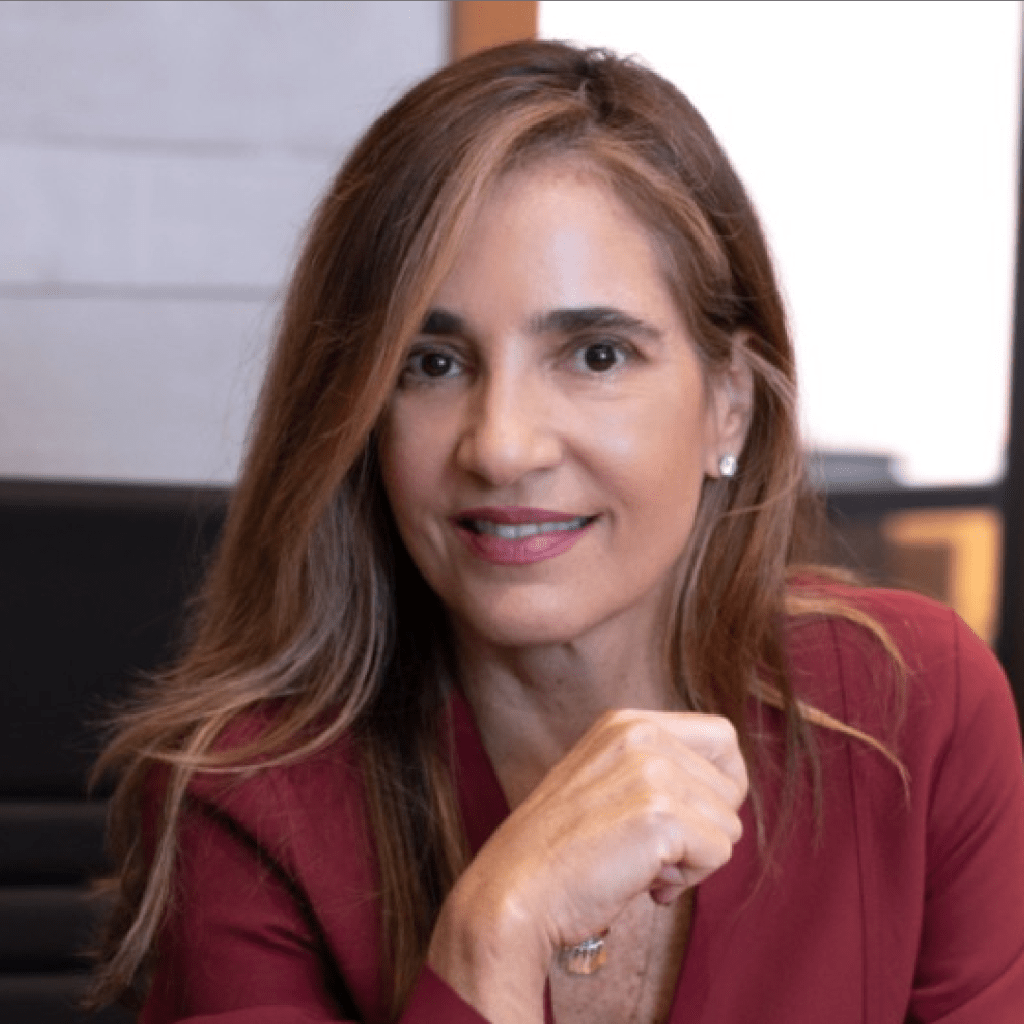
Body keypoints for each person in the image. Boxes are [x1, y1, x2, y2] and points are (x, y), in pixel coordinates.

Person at [89, 40, 1024, 1024]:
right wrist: (496, 931)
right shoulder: (247, 802)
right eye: (432, 363)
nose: (501, 447)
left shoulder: (913, 709)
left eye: (596, 354)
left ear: (729, 405)